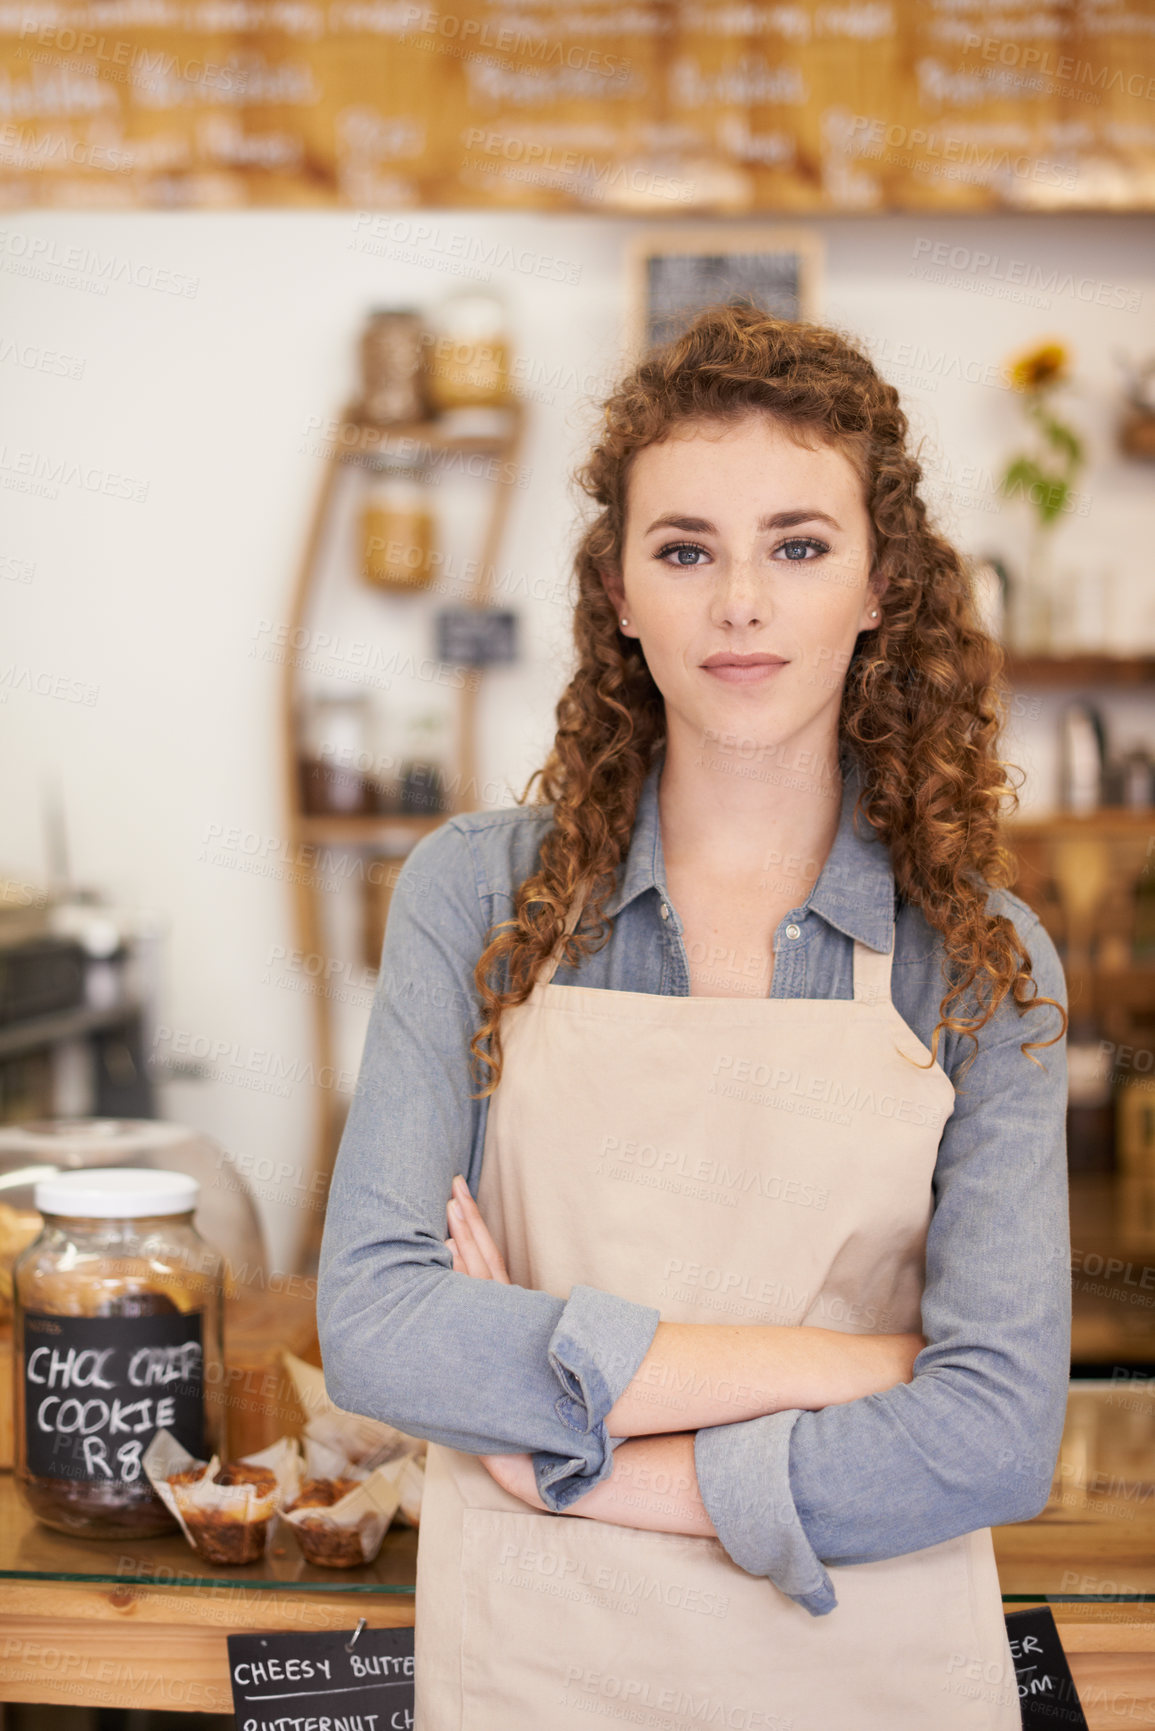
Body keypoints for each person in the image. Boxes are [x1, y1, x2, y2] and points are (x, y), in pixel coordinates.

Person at [316, 302, 1070, 1731]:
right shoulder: (474, 897)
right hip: (543, 1677)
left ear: (877, 585)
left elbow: (993, 1438)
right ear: (616, 590)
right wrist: (852, 1369)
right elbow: (380, 1329)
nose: (740, 603)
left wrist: (596, 1464)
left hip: (870, 1678)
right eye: (686, 550)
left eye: (798, 545)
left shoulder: (979, 958)